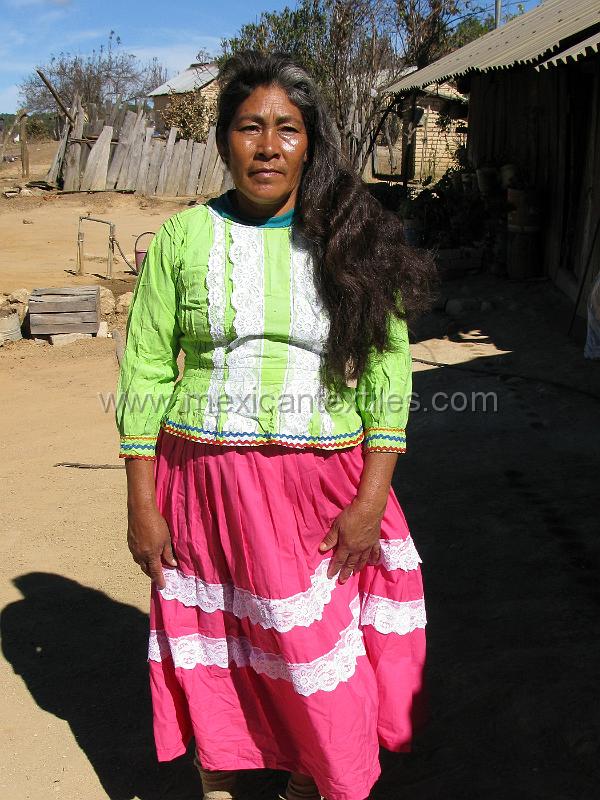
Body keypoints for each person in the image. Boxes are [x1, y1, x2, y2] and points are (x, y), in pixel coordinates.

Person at [115, 51, 436, 800]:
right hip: (205, 486)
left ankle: (312, 780)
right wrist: (141, 502)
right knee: (222, 648)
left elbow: (388, 374)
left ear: (310, 142)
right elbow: (146, 371)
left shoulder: (349, 238)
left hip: (321, 490)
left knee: (315, 654)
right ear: (222, 140)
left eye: (287, 129)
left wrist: (370, 499)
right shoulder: (182, 240)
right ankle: (227, 773)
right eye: (249, 127)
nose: (267, 147)